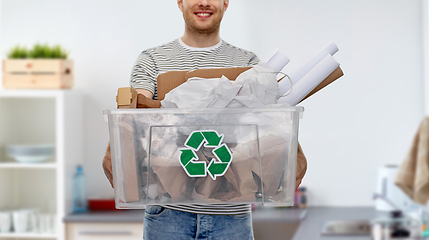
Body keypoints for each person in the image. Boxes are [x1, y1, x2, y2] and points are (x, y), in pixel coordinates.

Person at [102, 0, 307, 239]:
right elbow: (134, 113)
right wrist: (114, 150)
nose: (204, 3)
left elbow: (268, 120)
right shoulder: (152, 60)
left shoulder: (249, 64)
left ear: (225, 3)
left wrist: (295, 153)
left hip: (232, 213)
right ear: (180, 2)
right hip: (168, 214)